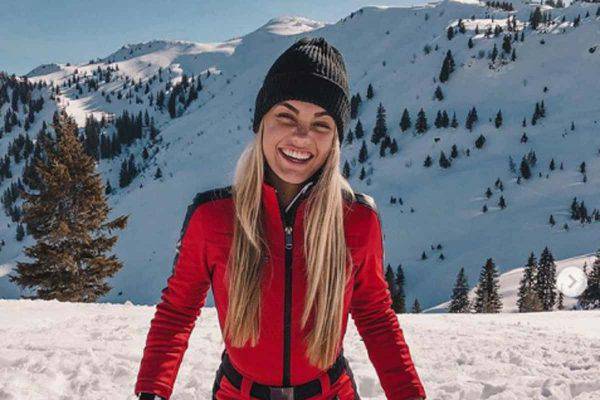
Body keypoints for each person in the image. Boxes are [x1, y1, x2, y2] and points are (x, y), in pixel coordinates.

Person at [134, 36, 426, 400]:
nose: (301, 137)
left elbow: (376, 318)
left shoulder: (356, 219)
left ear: (335, 140)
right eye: (286, 117)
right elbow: (177, 311)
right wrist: (152, 391)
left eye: (321, 124)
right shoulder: (213, 217)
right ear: (261, 124)